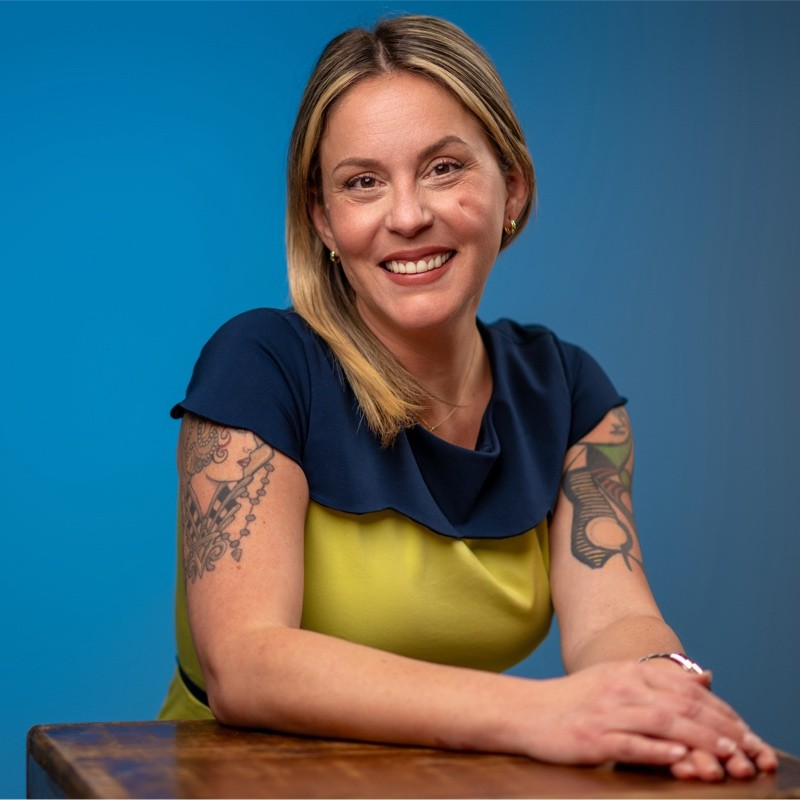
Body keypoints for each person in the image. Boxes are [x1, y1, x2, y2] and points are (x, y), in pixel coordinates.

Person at [159, 14, 777, 782]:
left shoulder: (571, 394)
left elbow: (616, 619)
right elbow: (245, 664)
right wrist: (543, 713)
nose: (408, 215)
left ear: (511, 186)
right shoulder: (259, 366)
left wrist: (667, 699)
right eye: (362, 182)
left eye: (444, 168)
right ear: (323, 220)